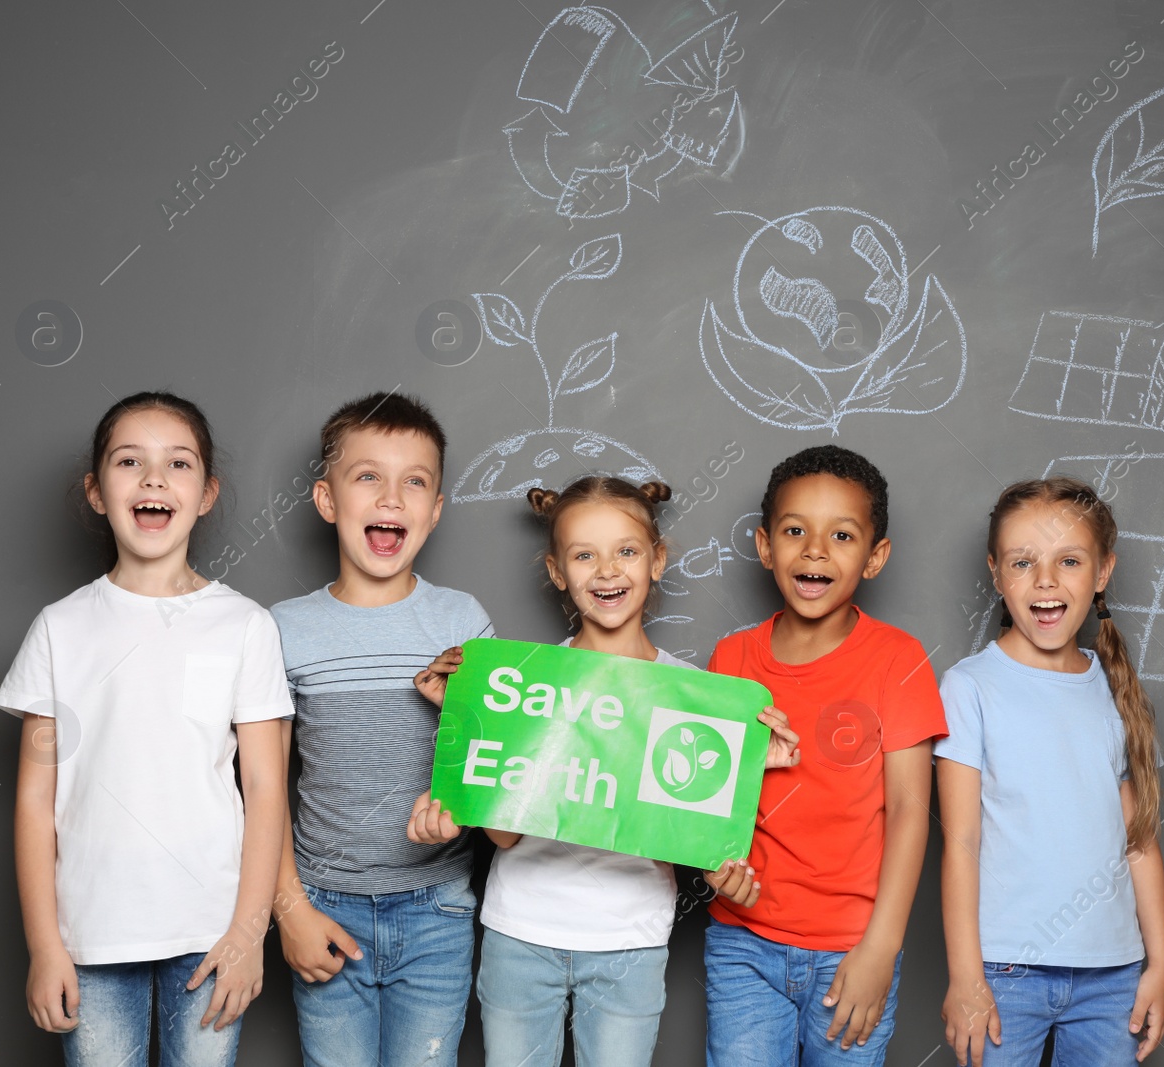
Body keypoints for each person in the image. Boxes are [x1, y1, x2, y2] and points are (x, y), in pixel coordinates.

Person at [407, 475, 800, 1067]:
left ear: (657, 560)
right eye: (584, 555)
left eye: (627, 551)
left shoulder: (693, 699)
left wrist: (748, 763)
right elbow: (506, 834)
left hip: (630, 943)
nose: (607, 570)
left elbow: (688, 835)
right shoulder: (527, 684)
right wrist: (472, 717)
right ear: (557, 571)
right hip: (522, 933)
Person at [0, 391, 289, 1066]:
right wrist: (45, 946)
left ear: (207, 492)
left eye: (177, 463)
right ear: (97, 491)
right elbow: (34, 800)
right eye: (130, 461)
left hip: (211, 934)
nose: (154, 478)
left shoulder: (245, 626)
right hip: (91, 938)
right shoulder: (59, 629)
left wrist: (250, 933)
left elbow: (267, 791)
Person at [703, 444, 948, 1066]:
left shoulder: (898, 660)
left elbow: (911, 811)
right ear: (765, 547)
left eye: (842, 534)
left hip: (853, 950)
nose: (815, 550)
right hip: (743, 945)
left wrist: (880, 950)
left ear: (875, 556)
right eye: (794, 531)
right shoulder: (730, 660)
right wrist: (710, 867)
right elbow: (704, 796)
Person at [269, 391, 493, 1066]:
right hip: (322, 906)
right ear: (327, 499)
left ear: (435, 510)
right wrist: (290, 910)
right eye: (368, 475)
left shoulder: (464, 622)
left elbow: (500, 766)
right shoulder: (282, 628)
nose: (391, 496)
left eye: (414, 481)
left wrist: (462, 810)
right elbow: (262, 787)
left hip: (438, 911)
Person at [936, 476, 1164, 1066]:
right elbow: (961, 843)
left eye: (1068, 560)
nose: (1045, 581)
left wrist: (1162, 960)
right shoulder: (970, 687)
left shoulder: (1115, 688)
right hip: (1003, 973)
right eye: (1023, 562)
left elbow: (1138, 841)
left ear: (1102, 572)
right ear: (996, 572)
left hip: (1111, 976)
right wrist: (966, 978)